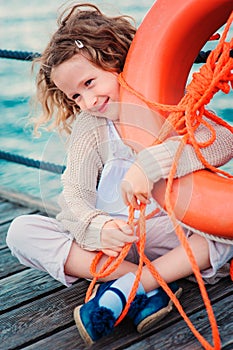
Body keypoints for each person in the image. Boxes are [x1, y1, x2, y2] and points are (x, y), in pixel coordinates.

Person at [6, 3, 233, 346]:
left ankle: (132, 288)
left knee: (220, 234)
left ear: (114, 58)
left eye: (90, 82)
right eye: (76, 96)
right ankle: (149, 284)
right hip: (118, 244)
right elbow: (73, 197)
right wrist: (99, 228)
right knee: (21, 232)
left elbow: (221, 142)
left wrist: (149, 165)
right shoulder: (91, 126)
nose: (88, 101)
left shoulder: (166, 101)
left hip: (168, 231)